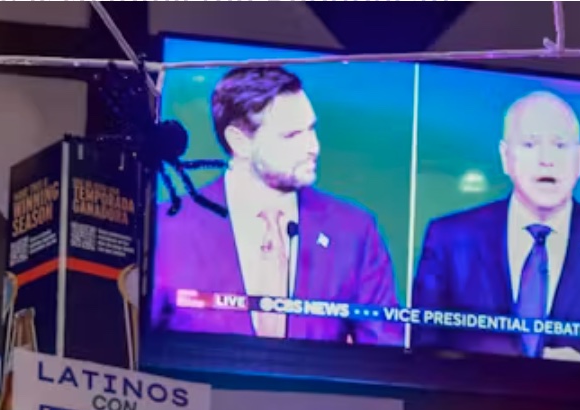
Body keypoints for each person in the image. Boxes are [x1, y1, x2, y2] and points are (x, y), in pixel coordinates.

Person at [151, 66, 399, 346]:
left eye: (311, 129)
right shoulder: (168, 227)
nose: (313, 147)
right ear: (240, 142)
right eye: (292, 135)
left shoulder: (354, 230)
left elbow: (383, 351)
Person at [411, 90, 580, 363]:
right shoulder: (450, 239)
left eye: (560, 145)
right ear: (505, 156)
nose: (546, 159)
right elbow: (423, 348)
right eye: (530, 144)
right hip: (466, 404)